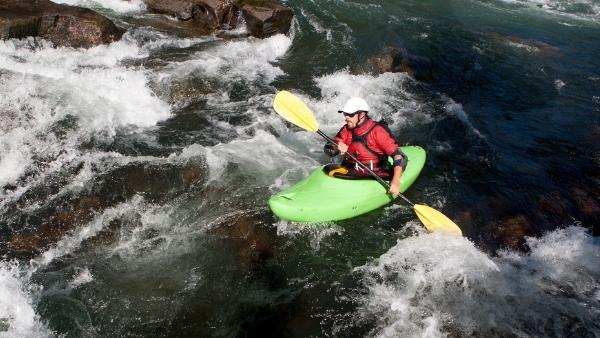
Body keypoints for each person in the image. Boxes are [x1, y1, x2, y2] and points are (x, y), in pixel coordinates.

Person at [323, 97, 407, 197]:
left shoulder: (378, 131)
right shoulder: (346, 129)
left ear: (361, 114)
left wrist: (396, 180)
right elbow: (329, 148)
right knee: (327, 169)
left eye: (350, 115)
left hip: (376, 175)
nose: (346, 118)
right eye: (345, 114)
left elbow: (399, 156)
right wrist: (336, 146)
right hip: (350, 173)